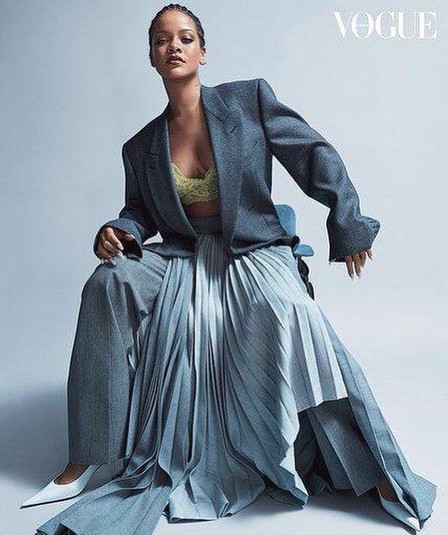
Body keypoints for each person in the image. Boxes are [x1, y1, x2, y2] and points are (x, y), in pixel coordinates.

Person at [22, 4, 436, 534]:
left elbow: (313, 153)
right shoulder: (141, 146)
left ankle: (373, 468)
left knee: (295, 315)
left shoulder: (248, 101)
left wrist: (348, 220)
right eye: (162, 40)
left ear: (203, 50)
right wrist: (119, 230)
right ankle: (87, 455)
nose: (174, 46)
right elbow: (139, 212)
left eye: (185, 37)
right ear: (151, 57)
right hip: (184, 254)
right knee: (108, 281)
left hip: (252, 247)